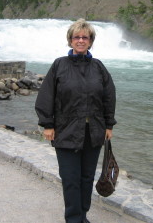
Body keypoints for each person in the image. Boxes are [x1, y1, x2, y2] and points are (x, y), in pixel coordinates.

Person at [35, 18, 116, 223]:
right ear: (70, 40)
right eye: (76, 37)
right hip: (66, 130)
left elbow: (109, 96)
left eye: (85, 37)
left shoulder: (98, 67)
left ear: (90, 41)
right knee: (71, 180)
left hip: (93, 132)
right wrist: (47, 124)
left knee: (87, 178)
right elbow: (46, 95)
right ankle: (73, 219)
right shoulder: (59, 65)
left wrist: (109, 125)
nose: (80, 40)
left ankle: (82, 216)